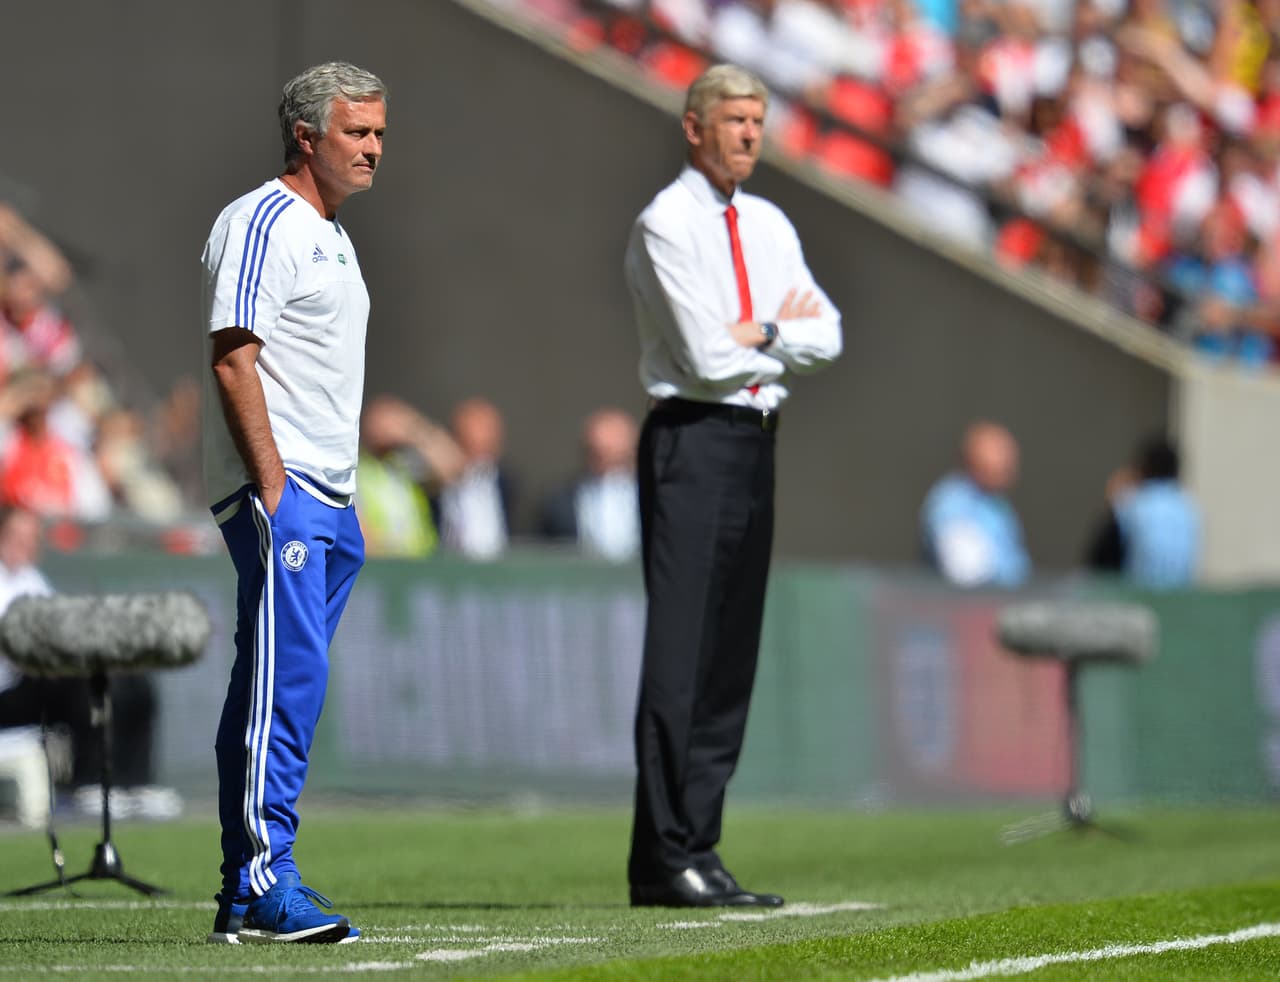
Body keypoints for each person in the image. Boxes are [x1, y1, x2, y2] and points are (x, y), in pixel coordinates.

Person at [623, 64, 843, 908]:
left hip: (755, 438)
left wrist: (768, 329)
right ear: (694, 126)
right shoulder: (667, 224)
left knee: (728, 658)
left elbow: (828, 332)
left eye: (758, 118)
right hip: (693, 436)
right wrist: (768, 341)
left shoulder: (769, 222)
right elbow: (707, 359)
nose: (750, 134)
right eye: (734, 119)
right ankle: (661, 853)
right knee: (680, 655)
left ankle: (701, 844)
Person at [200, 61, 387, 945]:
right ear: (307, 136)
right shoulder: (261, 219)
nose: (375, 149)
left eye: (380, 133)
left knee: (277, 683)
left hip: (328, 495)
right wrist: (275, 487)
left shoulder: (333, 233)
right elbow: (235, 353)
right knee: (287, 685)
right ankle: (271, 881)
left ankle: (244, 885)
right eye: (359, 132)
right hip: (287, 491)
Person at [0, 507, 177, 820]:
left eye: (32, 538)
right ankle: (87, 782)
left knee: (133, 673)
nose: (28, 544)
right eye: (19, 536)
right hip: (10, 692)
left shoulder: (32, 579)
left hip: (43, 680)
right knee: (84, 678)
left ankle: (133, 782)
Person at [921, 421, 1030, 587]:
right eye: (1001, 451)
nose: (1010, 461)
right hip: (962, 608)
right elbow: (966, 570)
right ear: (976, 458)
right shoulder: (952, 501)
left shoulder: (997, 503)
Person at [1084, 435, 1200, 587]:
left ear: (1144, 467)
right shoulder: (1190, 508)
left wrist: (1114, 497)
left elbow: (1101, 557)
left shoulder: (1134, 503)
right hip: (1181, 596)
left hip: (1141, 593)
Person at [356, 394, 464, 557]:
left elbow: (454, 467)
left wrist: (413, 428)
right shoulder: (356, 470)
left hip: (421, 565)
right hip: (381, 567)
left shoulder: (406, 465)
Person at [539, 407, 641, 561]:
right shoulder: (559, 500)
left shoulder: (656, 497)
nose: (606, 462)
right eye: (597, 453)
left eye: (615, 456)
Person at [435, 397, 516, 560]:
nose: (479, 462)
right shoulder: (435, 488)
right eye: (469, 446)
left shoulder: (510, 487)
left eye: (486, 447)